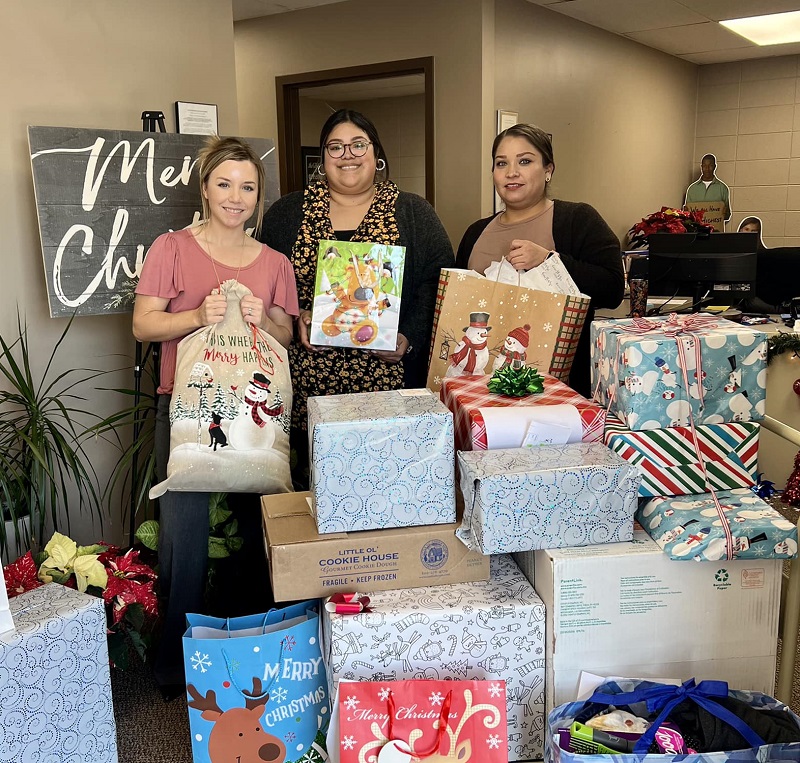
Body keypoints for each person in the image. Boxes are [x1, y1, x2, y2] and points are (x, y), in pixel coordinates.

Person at [133, 136, 299, 698]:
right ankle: (174, 674)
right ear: (204, 188)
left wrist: (264, 321)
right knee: (184, 541)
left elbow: (285, 337)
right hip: (187, 409)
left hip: (257, 416)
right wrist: (195, 316)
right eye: (224, 184)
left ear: (258, 195)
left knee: (258, 537)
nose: (236, 197)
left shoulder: (275, 263)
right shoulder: (171, 249)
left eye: (247, 186)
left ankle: (245, 658)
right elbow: (143, 325)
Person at [259, 109, 454, 485]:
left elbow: (438, 281)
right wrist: (296, 318)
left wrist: (408, 337)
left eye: (357, 144)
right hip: (308, 387)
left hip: (390, 381)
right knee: (313, 491)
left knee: (387, 486)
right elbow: (267, 280)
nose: (346, 154)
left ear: (376, 153)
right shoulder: (288, 212)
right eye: (335, 147)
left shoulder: (413, 212)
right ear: (322, 159)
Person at [456, 123, 624, 397]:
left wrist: (548, 260)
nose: (511, 172)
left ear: (548, 170)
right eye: (501, 163)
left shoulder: (577, 220)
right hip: (478, 389)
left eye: (524, 161)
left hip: (556, 391)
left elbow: (613, 289)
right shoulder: (475, 232)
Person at [684, 153, 731, 222]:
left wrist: (725, 213)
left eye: (710, 166)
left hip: (715, 231)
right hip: (697, 231)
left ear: (715, 167)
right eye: (704, 166)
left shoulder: (723, 188)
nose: (707, 169)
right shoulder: (692, 189)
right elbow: (688, 215)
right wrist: (685, 212)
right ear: (701, 167)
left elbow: (727, 216)